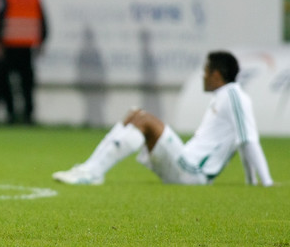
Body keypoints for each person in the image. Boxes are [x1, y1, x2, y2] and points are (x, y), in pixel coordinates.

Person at [53, 51, 273, 186]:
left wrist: (265, 182)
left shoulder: (234, 95)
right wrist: (251, 181)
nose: (202, 76)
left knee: (145, 120)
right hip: (187, 166)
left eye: (205, 71)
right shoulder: (223, 97)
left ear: (216, 75)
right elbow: (242, 140)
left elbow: (248, 140)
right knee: (135, 114)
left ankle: (92, 173)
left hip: (194, 173)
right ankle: (90, 169)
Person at [0, 0, 48, 124]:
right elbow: (42, 19)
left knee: (6, 81)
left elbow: (0, 18)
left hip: (9, 44)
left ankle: (11, 114)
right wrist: (42, 40)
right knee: (27, 83)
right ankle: (28, 116)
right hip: (27, 44)